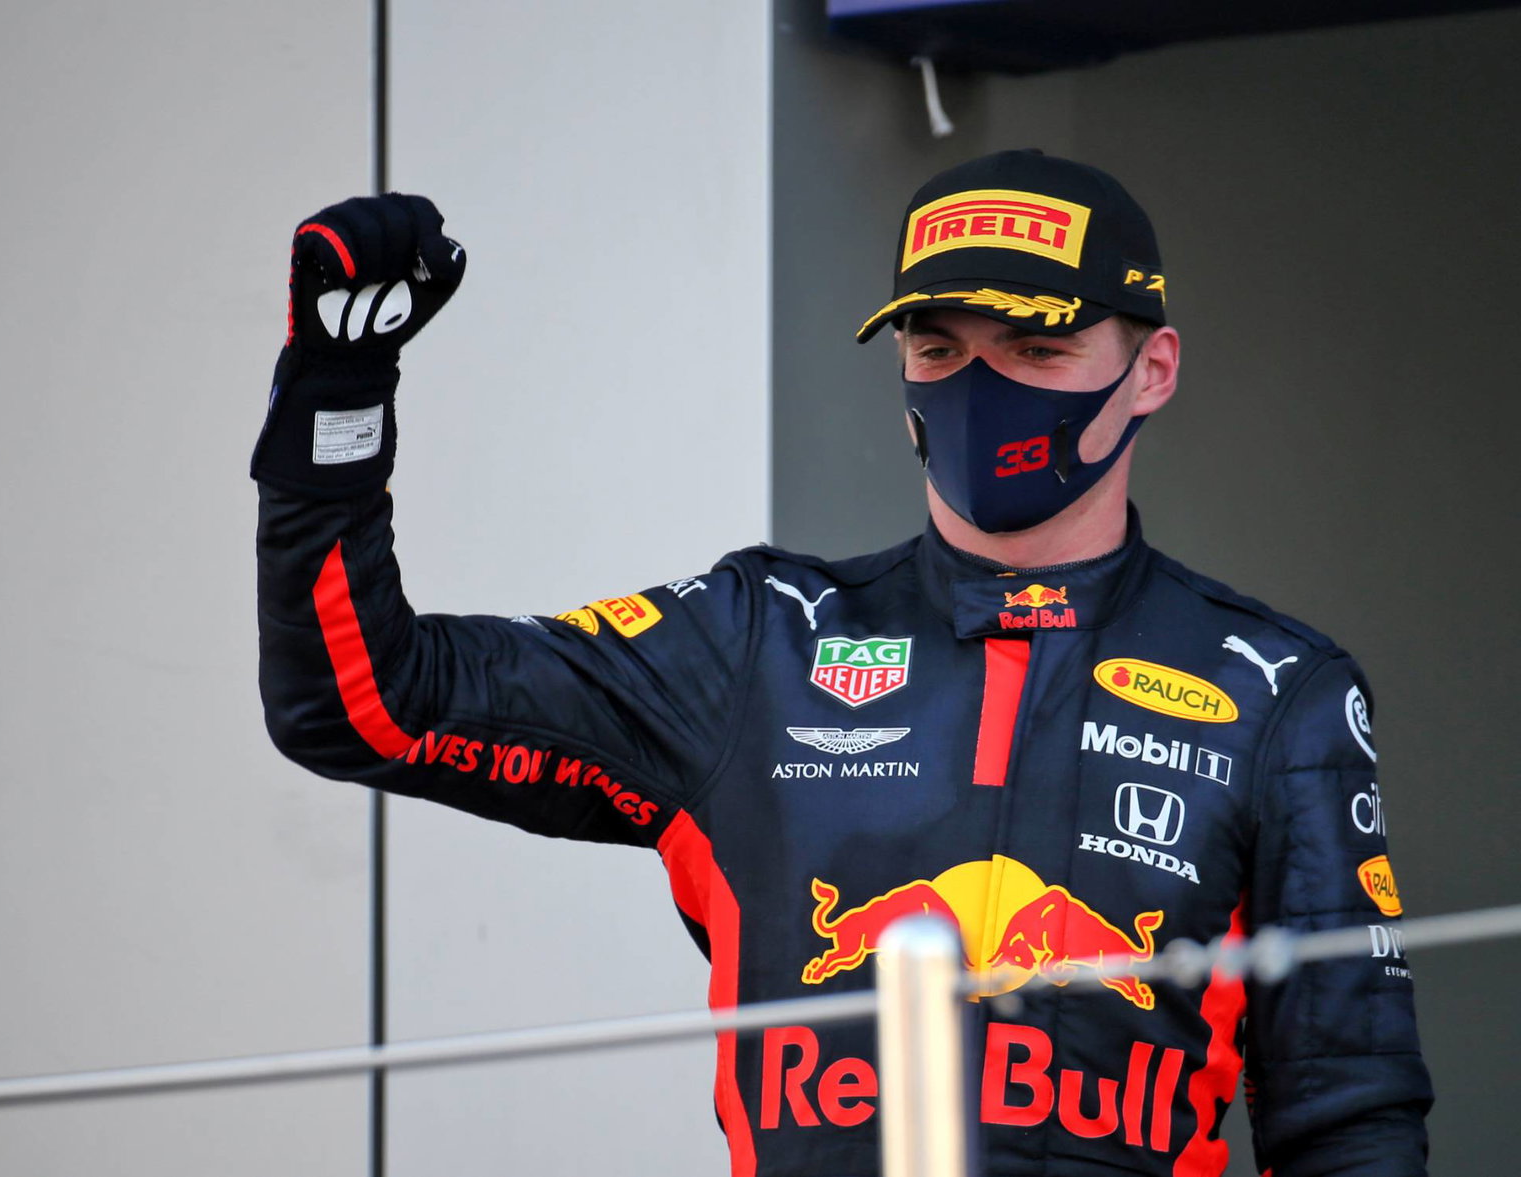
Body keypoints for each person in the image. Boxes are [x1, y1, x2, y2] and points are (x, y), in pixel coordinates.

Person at [251, 151, 1432, 1175]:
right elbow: (364, 702)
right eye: (937, 343)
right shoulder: (757, 636)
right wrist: (338, 402)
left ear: (1154, 368)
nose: (982, 382)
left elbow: (1348, 1116)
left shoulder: (1276, 689)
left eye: (1037, 342)